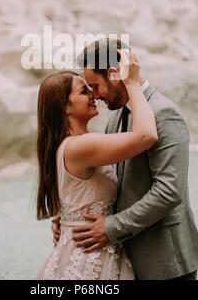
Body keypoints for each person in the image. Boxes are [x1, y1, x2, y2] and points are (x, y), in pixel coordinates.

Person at [52, 38, 198, 280]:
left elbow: (168, 191)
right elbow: (108, 184)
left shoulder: (164, 112)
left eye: (95, 85)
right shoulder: (115, 117)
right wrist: (69, 222)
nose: (95, 95)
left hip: (165, 259)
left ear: (115, 74)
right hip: (128, 257)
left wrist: (111, 227)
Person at [34, 50, 158, 280]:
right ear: (65, 108)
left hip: (88, 248)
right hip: (90, 258)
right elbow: (146, 136)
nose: (94, 95)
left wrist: (68, 222)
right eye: (84, 91)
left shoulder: (69, 146)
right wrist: (132, 83)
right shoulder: (80, 147)